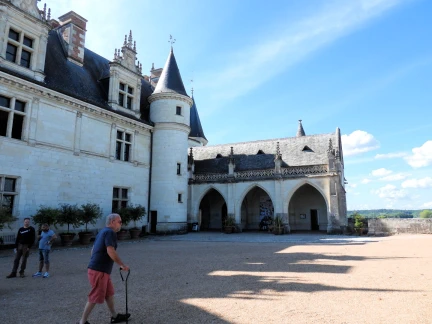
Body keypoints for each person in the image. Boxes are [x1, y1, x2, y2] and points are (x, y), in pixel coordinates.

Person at [77, 213, 131, 324]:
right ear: (112, 222)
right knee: (95, 296)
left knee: (109, 293)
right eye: (119, 221)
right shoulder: (110, 232)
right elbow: (110, 250)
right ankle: (82, 322)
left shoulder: (102, 231)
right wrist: (122, 265)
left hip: (100, 270)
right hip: (99, 271)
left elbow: (93, 250)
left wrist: (96, 262)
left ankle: (115, 316)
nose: (121, 224)